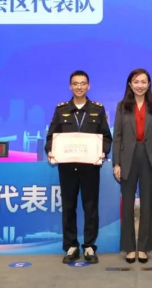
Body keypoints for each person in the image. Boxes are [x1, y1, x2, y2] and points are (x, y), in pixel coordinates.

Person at [45, 70, 112, 264]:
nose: (79, 87)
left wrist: (103, 151)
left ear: (88, 86)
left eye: (83, 83)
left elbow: (106, 137)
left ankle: (89, 246)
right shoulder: (61, 110)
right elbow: (51, 137)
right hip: (67, 168)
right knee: (68, 207)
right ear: (70, 86)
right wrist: (51, 150)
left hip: (90, 167)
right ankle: (71, 246)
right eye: (75, 83)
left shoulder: (97, 110)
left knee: (90, 207)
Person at [112, 68, 152, 264]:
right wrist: (116, 163)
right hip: (127, 158)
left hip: (149, 157)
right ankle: (129, 247)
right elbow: (117, 136)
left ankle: (143, 247)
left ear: (149, 84)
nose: (140, 85)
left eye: (143, 82)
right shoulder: (122, 106)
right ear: (130, 84)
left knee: (146, 204)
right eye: (136, 82)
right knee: (127, 205)